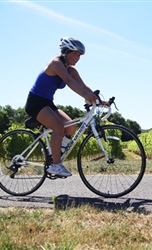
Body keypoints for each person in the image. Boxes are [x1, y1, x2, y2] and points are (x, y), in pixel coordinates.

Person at [25, 37, 106, 177]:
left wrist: (100, 100)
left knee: (71, 127)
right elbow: (68, 81)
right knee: (58, 127)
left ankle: (53, 153)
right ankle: (55, 165)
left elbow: (83, 86)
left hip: (48, 103)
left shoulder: (72, 70)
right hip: (35, 102)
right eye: (75, 53)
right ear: (65, 51)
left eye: (79, 55)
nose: (77, 57)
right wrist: (85, 97)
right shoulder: (56, 63)